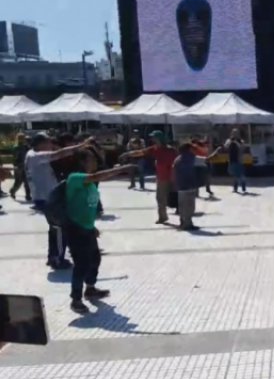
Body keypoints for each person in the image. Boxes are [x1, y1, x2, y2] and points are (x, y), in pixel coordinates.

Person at [65, 149, 135, 314]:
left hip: (87, 228)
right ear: (82, 162)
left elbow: (84, 206)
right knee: (81, 264)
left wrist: (92, 226)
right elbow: (95, 177)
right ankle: (75, 299)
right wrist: (121, 168)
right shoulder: (75, 178)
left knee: (95, 259)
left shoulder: (90, 183)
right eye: (92, 160)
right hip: (75, 229)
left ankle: (90, 288)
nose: (95, 163)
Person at [25, 133, 93, 269]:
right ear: (40, 144)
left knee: (54, 229)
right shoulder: (35, 156)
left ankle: (53, 256)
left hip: (45, 196)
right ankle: (58, 259)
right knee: (61, 228)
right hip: (47, 197)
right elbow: (59, 154)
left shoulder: (31, 155)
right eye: (48, 142)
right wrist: (81, 145)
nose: (51, 145)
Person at [121, 131, 178, 224]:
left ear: (160, 139)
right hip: (161, 178)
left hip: (172, 177)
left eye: (154, 138)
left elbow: (176, 163)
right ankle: (163, 217)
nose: (152, 139)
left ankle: (183, 217)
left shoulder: (171, 150)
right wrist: (128, 154)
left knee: (176, 197)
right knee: (160, 198)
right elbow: (141, 152)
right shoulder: (155, 149)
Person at [173, 143, 220, 230]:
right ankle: (187, 225)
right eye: (193, 148)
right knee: (189, 207)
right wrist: (216, 152)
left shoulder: (178, 158)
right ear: (189, 149)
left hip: (180, 185)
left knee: (183, 206)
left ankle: (183, 223)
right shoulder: (191, 158)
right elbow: (207, 160)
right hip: (189, 185)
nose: (195, 150)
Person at [9, 133, 31, 201]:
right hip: (19, 166)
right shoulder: (16, 147)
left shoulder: (26, 146)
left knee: (27, 181)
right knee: (18, 181)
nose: (23, 139)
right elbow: (15, 158)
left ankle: (28, 195)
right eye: (21, 138)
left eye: (23, 138)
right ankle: (12, 191)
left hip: (25, 166)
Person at [225, 129, 246, 193]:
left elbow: (242, 147)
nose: (234, 134)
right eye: (233, 133)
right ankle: (235, 188)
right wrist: (230, 141)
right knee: (234, 175)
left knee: (241, 174)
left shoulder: (241, 140)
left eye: (236, 133)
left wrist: (236, 142)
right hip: (232, 159)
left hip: (239, 159)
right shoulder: (229, 140)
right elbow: (226, 146)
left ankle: (243, 187)